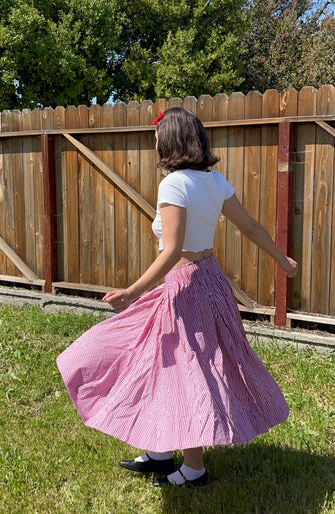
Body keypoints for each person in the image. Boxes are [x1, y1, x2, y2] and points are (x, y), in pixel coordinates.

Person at [56, 107, 298, 488]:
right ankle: (160, 452)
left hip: (185, 286)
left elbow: (170, 251)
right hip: (211, 281)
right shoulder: (215, 180)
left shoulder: (173, 184)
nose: (153, 142)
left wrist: (132, 292)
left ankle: (194, 469)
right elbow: (250, 226)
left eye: (156, 136)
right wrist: (282, 260)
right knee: (160, 358)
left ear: (168, 140)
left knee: (189, 370)